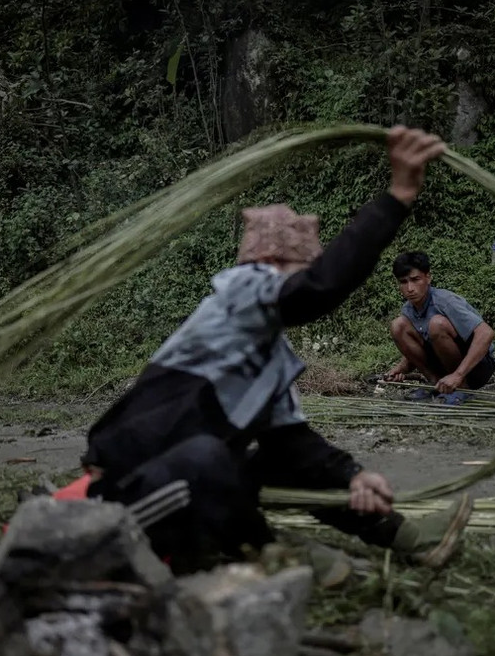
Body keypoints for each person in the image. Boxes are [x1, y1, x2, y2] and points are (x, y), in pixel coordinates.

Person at [79, 126, 473, 578]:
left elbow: (295, 445)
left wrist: (354, 477)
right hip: (130, 489)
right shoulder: (238, 295)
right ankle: (270, 552)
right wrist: (398, 195)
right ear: (271, 265)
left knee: (284, 461)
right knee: (206, 457)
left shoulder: (268, 351)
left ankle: (411, 539)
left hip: (189, 487)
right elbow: (318, 288)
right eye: (300, 269)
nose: (305, 278)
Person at [384, 251, 495, 404]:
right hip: (444, 366)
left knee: (437, 324)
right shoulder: (408, 310)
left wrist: (458, 375)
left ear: (428, 277)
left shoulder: (445, 301)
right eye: (403, 282)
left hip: (477, 367)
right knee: (398, 325)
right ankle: (436, 384)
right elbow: (422, 346)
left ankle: (462, 388)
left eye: (415, 280)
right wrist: (401, 368)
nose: (409, 288)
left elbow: (486, 333)